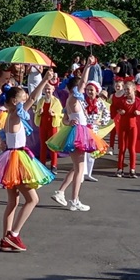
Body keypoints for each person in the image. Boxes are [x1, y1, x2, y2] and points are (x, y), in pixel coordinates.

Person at [0, 86, 54, 252]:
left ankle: (6, 238)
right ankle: (13, 234)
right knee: (33, 200)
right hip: (16, 160)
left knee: (13, 201)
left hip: (12, 158)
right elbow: (33, 98)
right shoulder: (16, 115)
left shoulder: (9, 116)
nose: (25, 98)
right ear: (14, 101)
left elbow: (29, 100)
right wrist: (45, 80)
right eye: (22, 97)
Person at [47, 65, 108, 211]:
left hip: (78, 131)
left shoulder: (73, 100)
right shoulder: (73, 99)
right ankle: (74, 200)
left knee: (77, 168)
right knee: (80, 168)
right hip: (78, 134)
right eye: (82, 87)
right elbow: (82, 83)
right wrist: (88, 66)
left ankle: (61, 192)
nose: (84, 88)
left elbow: (65, 120)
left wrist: (70, 122)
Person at [115, 81, 140, 178]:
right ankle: (120, 168)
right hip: (123, 126)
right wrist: (119, 111)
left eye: (128, 89)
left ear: (134, 90)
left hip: (132, 127)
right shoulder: (122, 101)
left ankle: (132, 169)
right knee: (122, 148)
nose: (126, 91)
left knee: (132, 148)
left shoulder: (138, 101)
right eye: (125, 89)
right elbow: (114, 107)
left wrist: (139, 112)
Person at [31, 72, 63, 174]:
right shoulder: (41, 101)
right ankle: (42, 164)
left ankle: (54, 165)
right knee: (43, 145)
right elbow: (36, 111)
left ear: (53, 90)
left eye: (49, 89)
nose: (47, 91)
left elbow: (61, 114)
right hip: (43, 125)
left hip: (52, 126)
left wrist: (54, 114)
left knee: (53, 146)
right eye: (46, 89)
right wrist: (38, 112)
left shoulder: (56, 101)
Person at [81, 78, 112, 182]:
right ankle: (81, 173)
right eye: (88, 90)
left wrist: (102, 122)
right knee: (82, 152)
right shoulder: (82, 102)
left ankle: (88, 173)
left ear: (96, 91)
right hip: (83, 129)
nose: (89, 92)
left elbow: (107, 114)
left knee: (92, 153)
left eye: (92, 90)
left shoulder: (100, 103)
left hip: (94, 130)